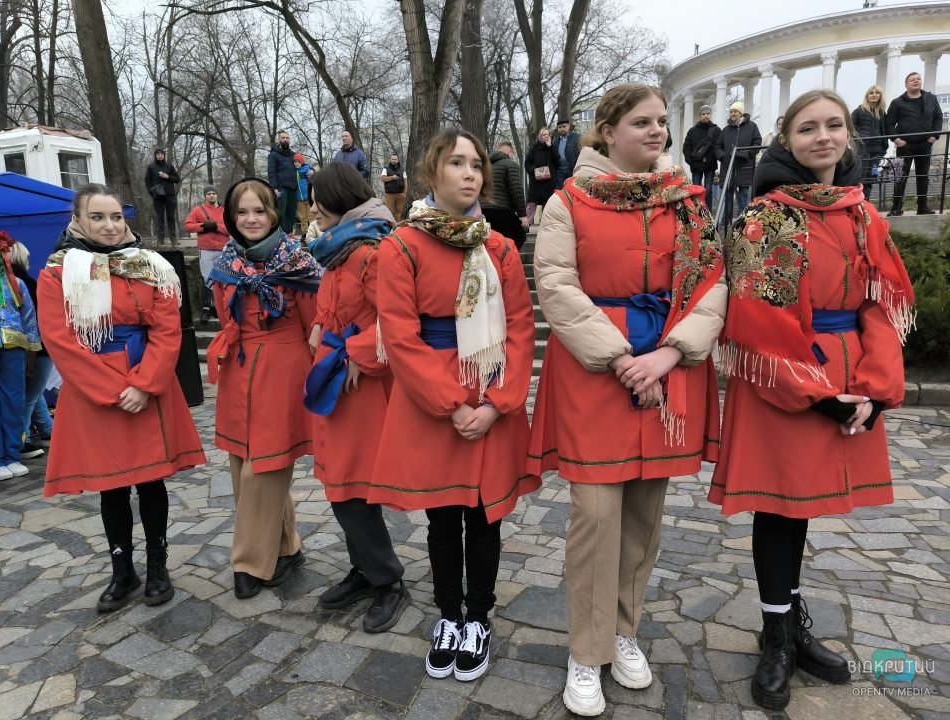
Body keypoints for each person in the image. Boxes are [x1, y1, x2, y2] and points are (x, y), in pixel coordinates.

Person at [710, 90, 915, 711]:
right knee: (779, 507)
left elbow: (881, 305)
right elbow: (759, 320)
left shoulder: (864, 215)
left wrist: (877, 391)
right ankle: (776, 635)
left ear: (850, 136)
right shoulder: (764, 218)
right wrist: (820, 395)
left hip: (850, 373)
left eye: (834, 126)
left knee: (804, 510)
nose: (822, 137)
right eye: (807, 128)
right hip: (788, 380)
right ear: (786, 140)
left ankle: (790, 624)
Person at [526, 83, 725, 717]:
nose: (657, 131)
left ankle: (623, 631)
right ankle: (586, 652)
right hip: (595, 377)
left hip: (668, 372)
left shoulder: (690, 203)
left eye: (662, 122)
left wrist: (671, 353)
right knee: (595, 515)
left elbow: (713, 281)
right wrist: (617, 356)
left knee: (643, 517)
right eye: (642, 122)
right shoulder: (568, 201)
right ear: (607, 131)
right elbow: (555, 284)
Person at [368, 127, 538, 683]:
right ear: (432, 172)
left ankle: (480, 617)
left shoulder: (501, 248)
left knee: (484, 516)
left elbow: (518, 327)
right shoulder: (400, 247)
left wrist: (496, 403)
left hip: (489, 395)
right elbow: (400, 334)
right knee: (442, 516)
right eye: (457, 163)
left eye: (477, 165)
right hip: (435, 401)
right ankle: (448, 614)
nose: (470, 174)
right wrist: (451, 404)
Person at [37, 184, 206, 611]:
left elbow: (168, 330)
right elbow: (60, 340)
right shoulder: (58, 272)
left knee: (151, 481)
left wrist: (144, 384)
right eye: (98, 217)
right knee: (110, 488)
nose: (110, 226)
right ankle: (122, 572)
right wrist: (113, 390)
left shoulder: (151, 267)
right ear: (77, 219)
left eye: (116, 216)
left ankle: (157, 568)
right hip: (95, 392)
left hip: (147, 386)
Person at [303, 163, 409, 633]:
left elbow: (397, 321)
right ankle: (366, 570)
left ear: (339, 200)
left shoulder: (372, 252)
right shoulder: (338, 250)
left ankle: (387, 581)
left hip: (360, 386)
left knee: (350, 487)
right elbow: (336, 306)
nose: (310, 209)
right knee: (340, 484)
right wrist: (320, 326)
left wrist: (356, 355)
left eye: (316, 200)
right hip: (335, 380)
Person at [207, 177, 323, 600]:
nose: (251, 219)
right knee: (242, 464)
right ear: (231, 217)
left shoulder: (298, 263)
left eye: (259, 210)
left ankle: (249, 563)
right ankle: (286, 546)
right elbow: (226, 320)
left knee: (266, 466)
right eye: (242, 212)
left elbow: (316, 324)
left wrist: (320, 376)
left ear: (274, 214)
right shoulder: (224, 266)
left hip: (285, 370)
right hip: (240, 370)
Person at [0, 229, 41, 481]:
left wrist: (32, 349)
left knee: (14, 401)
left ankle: (12, 454)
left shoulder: (16, 284)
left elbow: (29, 317)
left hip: (13, 348)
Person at [8, 241, 53, 459]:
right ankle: (21, 439)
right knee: (31, 393)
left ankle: (47, 430)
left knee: (34, 391)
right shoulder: (25, 283)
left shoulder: (10, 281)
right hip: (38, 347)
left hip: (22, 347)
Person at [885, 72, 943, 216]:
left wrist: (934, 136)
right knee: (901, 177)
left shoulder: (931, 99)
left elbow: (938, 117)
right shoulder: (897, 102)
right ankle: (896, 207)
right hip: (905, 145)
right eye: (912, 80)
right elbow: (889, 124)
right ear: (906, 84)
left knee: (923, 176)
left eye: (918, 79)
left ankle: (922, 207)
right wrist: (897, 140)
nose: (916, 81)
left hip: (925, 143)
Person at [183, 184, 229, 323]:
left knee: (224, 279)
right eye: (208, 194)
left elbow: (230, 229)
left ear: (217, 195)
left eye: (213, 193)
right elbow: (187, 226)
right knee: (208, 279)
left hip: (223, 249)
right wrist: (203, 227)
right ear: (205, 196)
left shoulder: (224, 211)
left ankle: (222, 308)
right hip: (207, 249)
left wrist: (216, 226)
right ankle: (206, 308)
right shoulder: (198, 210)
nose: (211, 196)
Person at [715, 101, 762, 227]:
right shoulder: (725, 130)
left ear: (741, 113)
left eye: (735, 111)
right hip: (728, 166)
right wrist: (722, 156)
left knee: (743, 195)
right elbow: (718, 146)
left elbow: (757, 143)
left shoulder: (752, 127)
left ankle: (742, 222)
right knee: (728, 195)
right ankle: (726, 221)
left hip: (744, 166)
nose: (732, 113)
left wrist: (747, 154)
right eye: (731, 111)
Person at [481, 142, 527, 249]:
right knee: (519, 236)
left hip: (483, 211)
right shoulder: (511, 164)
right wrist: (522, 215)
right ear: (510, 152)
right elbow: (517, 191)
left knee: (490, 241)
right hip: (502, 211)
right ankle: (506, 261)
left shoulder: (485, 166)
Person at [851, 86, 888, 203]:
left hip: (878, 151)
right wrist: (858, 140)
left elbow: (885, 129)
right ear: (867, 96)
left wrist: (885, 145)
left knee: (872, 176)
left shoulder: (882, 113)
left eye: (877, 93)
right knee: (862, 176)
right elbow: (850, 127)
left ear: (880, 96)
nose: (874, 95)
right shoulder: (859, 111)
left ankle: (866, 201)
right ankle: (859, 202)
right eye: (871, 93)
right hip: (864, 150)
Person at [682, 105, 720, 211]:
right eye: (703, 114)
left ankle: (708, 211)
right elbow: (686, 148)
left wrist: (715, 158)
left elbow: (719, 146)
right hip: (696, 165)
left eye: (707, 113)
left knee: (708, 189)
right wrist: (691, 162)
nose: (705, 116)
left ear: (710, 115)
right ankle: (696, 211)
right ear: (700, 115)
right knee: (696, 189)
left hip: (710, 164)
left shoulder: (716, 130)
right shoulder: (692, 131)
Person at [144, 148, 181, 245]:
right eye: (158, 154)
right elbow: (147, 180)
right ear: (155, 155)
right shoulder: (151, 167)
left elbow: (177, 179)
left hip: (169, 195)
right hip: (157, 196)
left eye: (161, 154)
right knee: (159, 217)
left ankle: (173, 239)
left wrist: (167, 177)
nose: (160, 155)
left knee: (171, 217)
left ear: (164, 155)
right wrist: (151, 192)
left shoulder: (169, 166)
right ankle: (160, 239)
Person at [524, 128, 560, 226]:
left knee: (548, 204)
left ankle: (547, 225)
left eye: (548, 134)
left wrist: (550, 147)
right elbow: (527, 163)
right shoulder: (534, 149)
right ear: (540, 136)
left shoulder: (552, 147)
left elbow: (557, 160)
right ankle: (526, 225)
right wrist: (533, 171)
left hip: (549, 182)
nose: (546, 136)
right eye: (544, 135)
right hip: (536, 182)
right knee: (531, 204)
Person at [267, 131, 299, 234]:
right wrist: (274, 187)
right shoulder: (273, 155)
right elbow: (271, 172)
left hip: (293, 187)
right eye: (283, 138)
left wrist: (311, 170)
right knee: (281, 211)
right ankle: (281, 233)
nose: (285, 139)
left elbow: (302, 165)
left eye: (287, 138)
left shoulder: (293, 155)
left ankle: (289, 232)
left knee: (292, 212)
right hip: (281, 187)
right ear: (279, 140)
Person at [553, 118, 582, 188]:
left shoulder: (577, 138)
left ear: (568, 126)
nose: (562, 129)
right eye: (560, 127)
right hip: (560, 171)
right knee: (561, 192)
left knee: (572, 190)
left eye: (564, 126)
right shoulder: (556, 141)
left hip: (572, 170)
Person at [380, 152, 408, 222]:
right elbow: (382, 179)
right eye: (392, 159)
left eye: (395, 159)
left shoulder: (402, 170)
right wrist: (392, 177)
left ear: (398, 160)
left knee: (399, 212)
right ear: (390, 160)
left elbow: (405, 182)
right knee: (389, 211)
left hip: (400, 194)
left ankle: (396, 226)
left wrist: (404, 194)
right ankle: (388, 225)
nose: (394, 161)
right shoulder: (386, 169)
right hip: (390, 194)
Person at [294, 154, 314, 237]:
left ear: (302, 162)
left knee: (311, 216)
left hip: (308, 198)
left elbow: (312, 180)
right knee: (302, 217)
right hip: (299, 199)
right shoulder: (293, 171)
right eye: (295, 162)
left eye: (299, 162)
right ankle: (305, 232)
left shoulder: (306, 169)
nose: (297, 163)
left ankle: (313, 231)